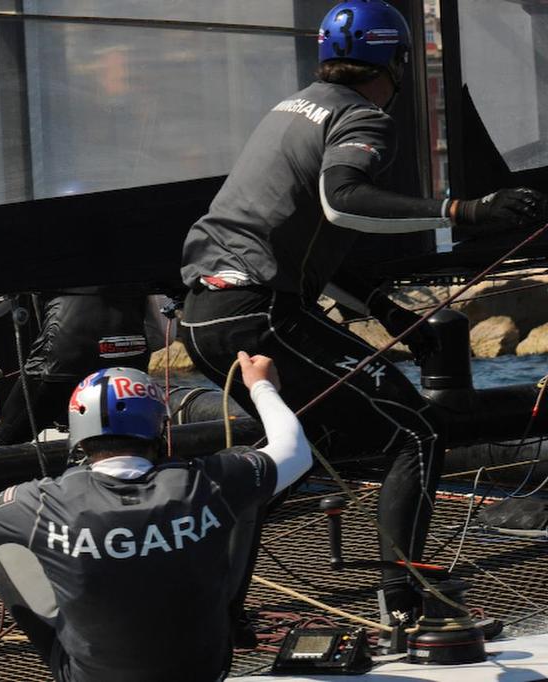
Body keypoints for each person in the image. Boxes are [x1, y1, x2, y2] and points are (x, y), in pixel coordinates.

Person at [179, 0, 548, 630]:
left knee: (304, 452)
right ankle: (404, 601)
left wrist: (389, 314)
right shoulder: (362, 117)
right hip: (257, 312)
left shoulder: (293, 107)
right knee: (416, 434)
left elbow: (307, 233)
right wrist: (466, 211)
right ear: (397, 63)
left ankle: (207, 601)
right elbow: (343, 200)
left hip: (209, 314)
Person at [0, 356, 311, 681]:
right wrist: (260, 385)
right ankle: (233, 618)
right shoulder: (211, 480)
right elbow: (293, 451)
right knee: (248, 496)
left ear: (79, 434)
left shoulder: (41, 500)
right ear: (159, 430)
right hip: (208, 670)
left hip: (91, 677)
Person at [0, 288, 167, 447]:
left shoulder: (47, 255)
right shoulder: (135, 257)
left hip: (60, 360)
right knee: (137, 442)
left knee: (3, 445)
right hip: (130, 360)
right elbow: (161, 334)